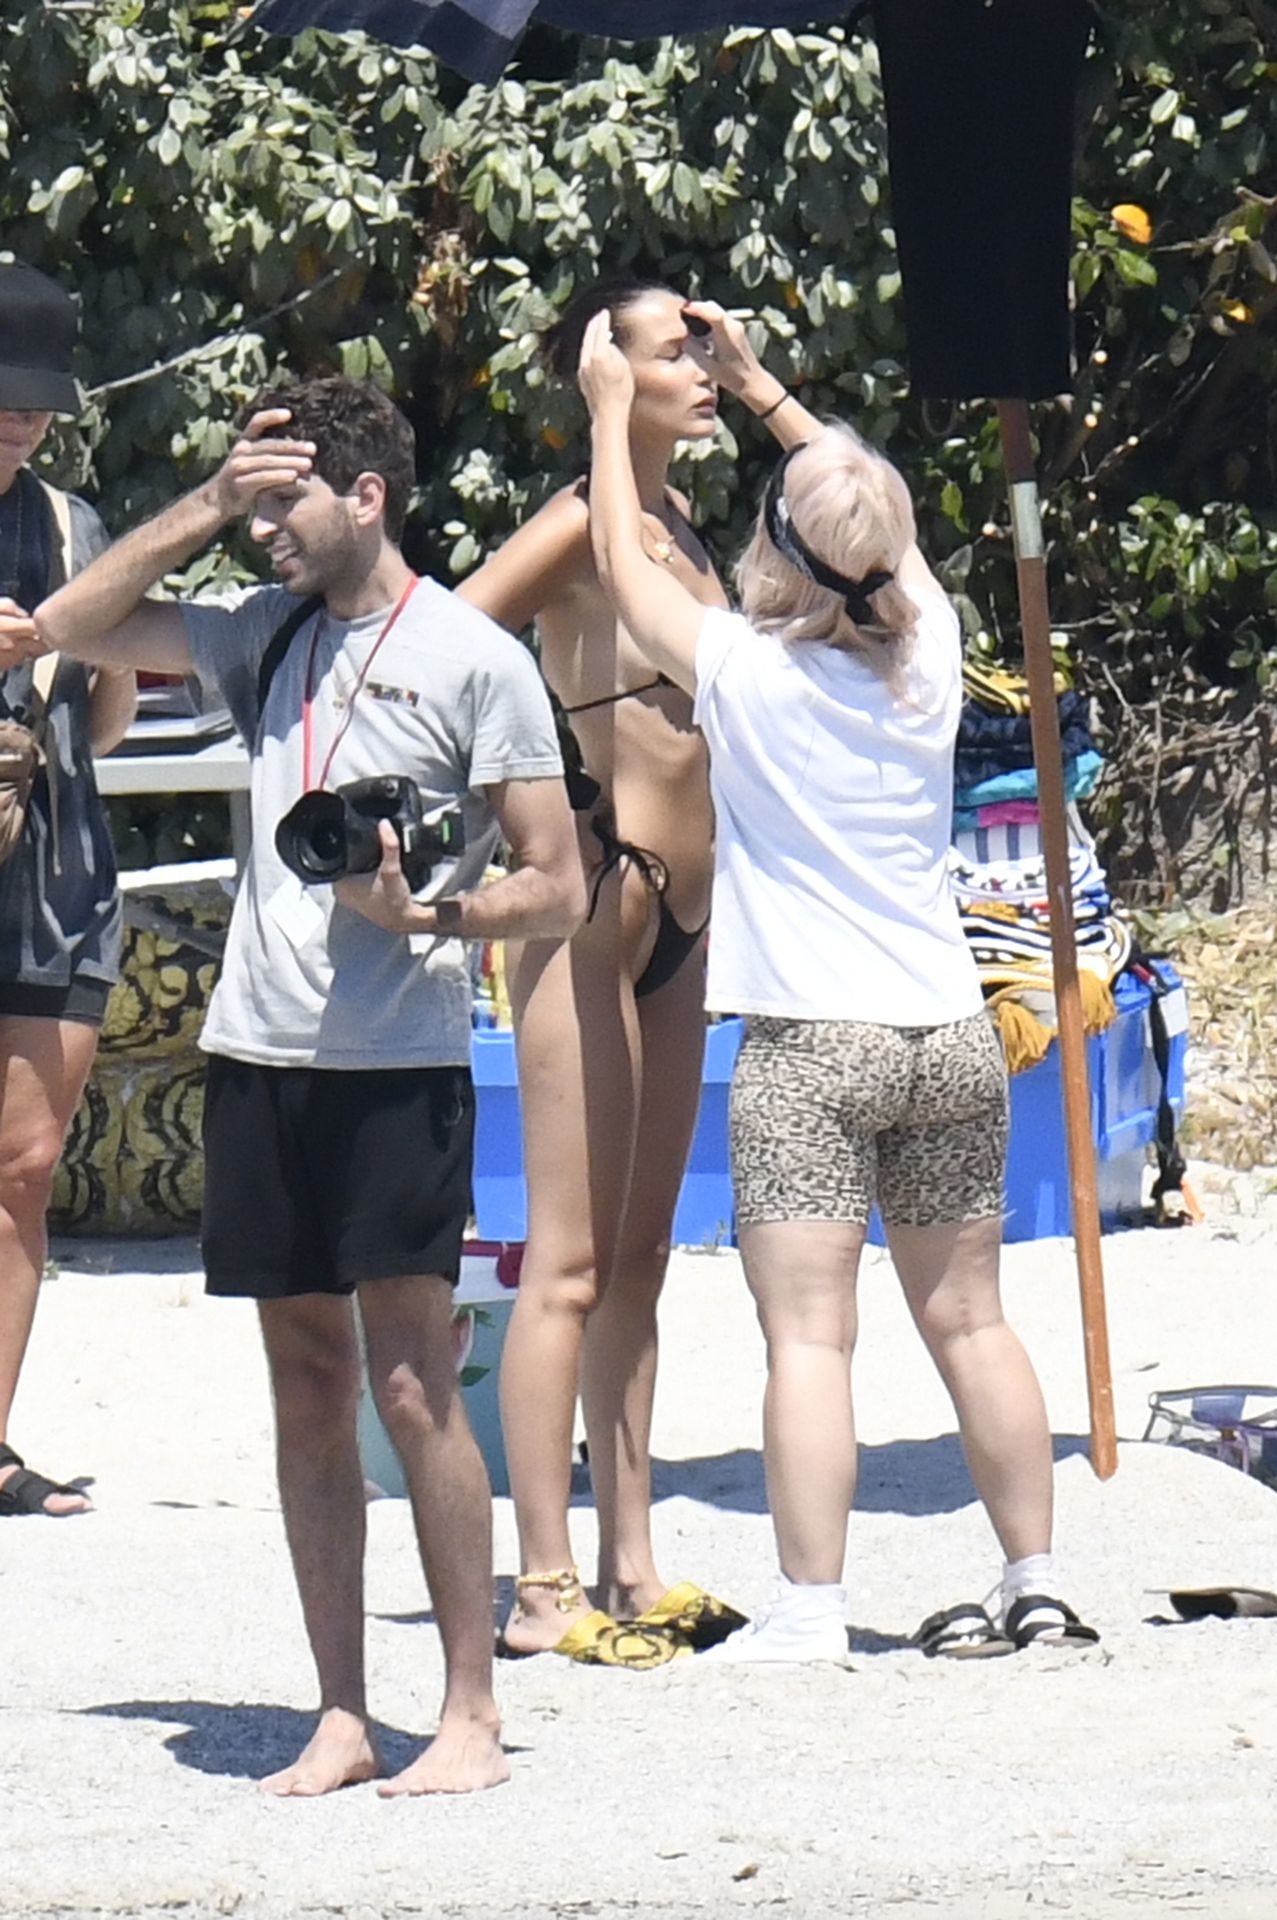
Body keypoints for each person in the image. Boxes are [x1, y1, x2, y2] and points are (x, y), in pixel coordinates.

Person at [28, 378, 585, 1792]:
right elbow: (70, 624)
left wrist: (430, 915)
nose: (264, 531)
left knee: (411, 1382)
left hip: (395, 1062)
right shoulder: (259, 630)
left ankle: (469, 1715)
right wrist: (209, 500)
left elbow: (559, 883)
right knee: (305, 1381)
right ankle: (340, 1711)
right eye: (255, 505)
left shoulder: (473, 659)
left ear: (368, 497)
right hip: (256, 1053)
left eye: (286, 504)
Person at [576, 306, 1101, 1664]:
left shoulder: (741, 670)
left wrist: (605, 408)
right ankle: (1033, 1578)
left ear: (772, 551)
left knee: (810, 1340)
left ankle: (812, 1606)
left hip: (812, 1046)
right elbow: (880, 541)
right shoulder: (926, 653)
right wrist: (768, 394)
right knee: (970, 1320)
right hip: (947, 1028)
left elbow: (619, 563)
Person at [455, 280, 813, 1663]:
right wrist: (533, 794)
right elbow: (443, 641)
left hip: (688, 914)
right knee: (568, 1260)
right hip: (593, 905)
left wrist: (748, 375)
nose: (704, 370)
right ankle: (539, 1587)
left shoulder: (677, 527)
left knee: (644, 1257)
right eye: (679, 352)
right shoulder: (576, 521)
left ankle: (628, 1560)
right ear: (608, 373)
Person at [0, 263, 136, 1520]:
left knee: (26, 1166)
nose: (21, 419)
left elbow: (110, 707)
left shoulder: (75, 527)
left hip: (53, 876)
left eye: (38, 399)